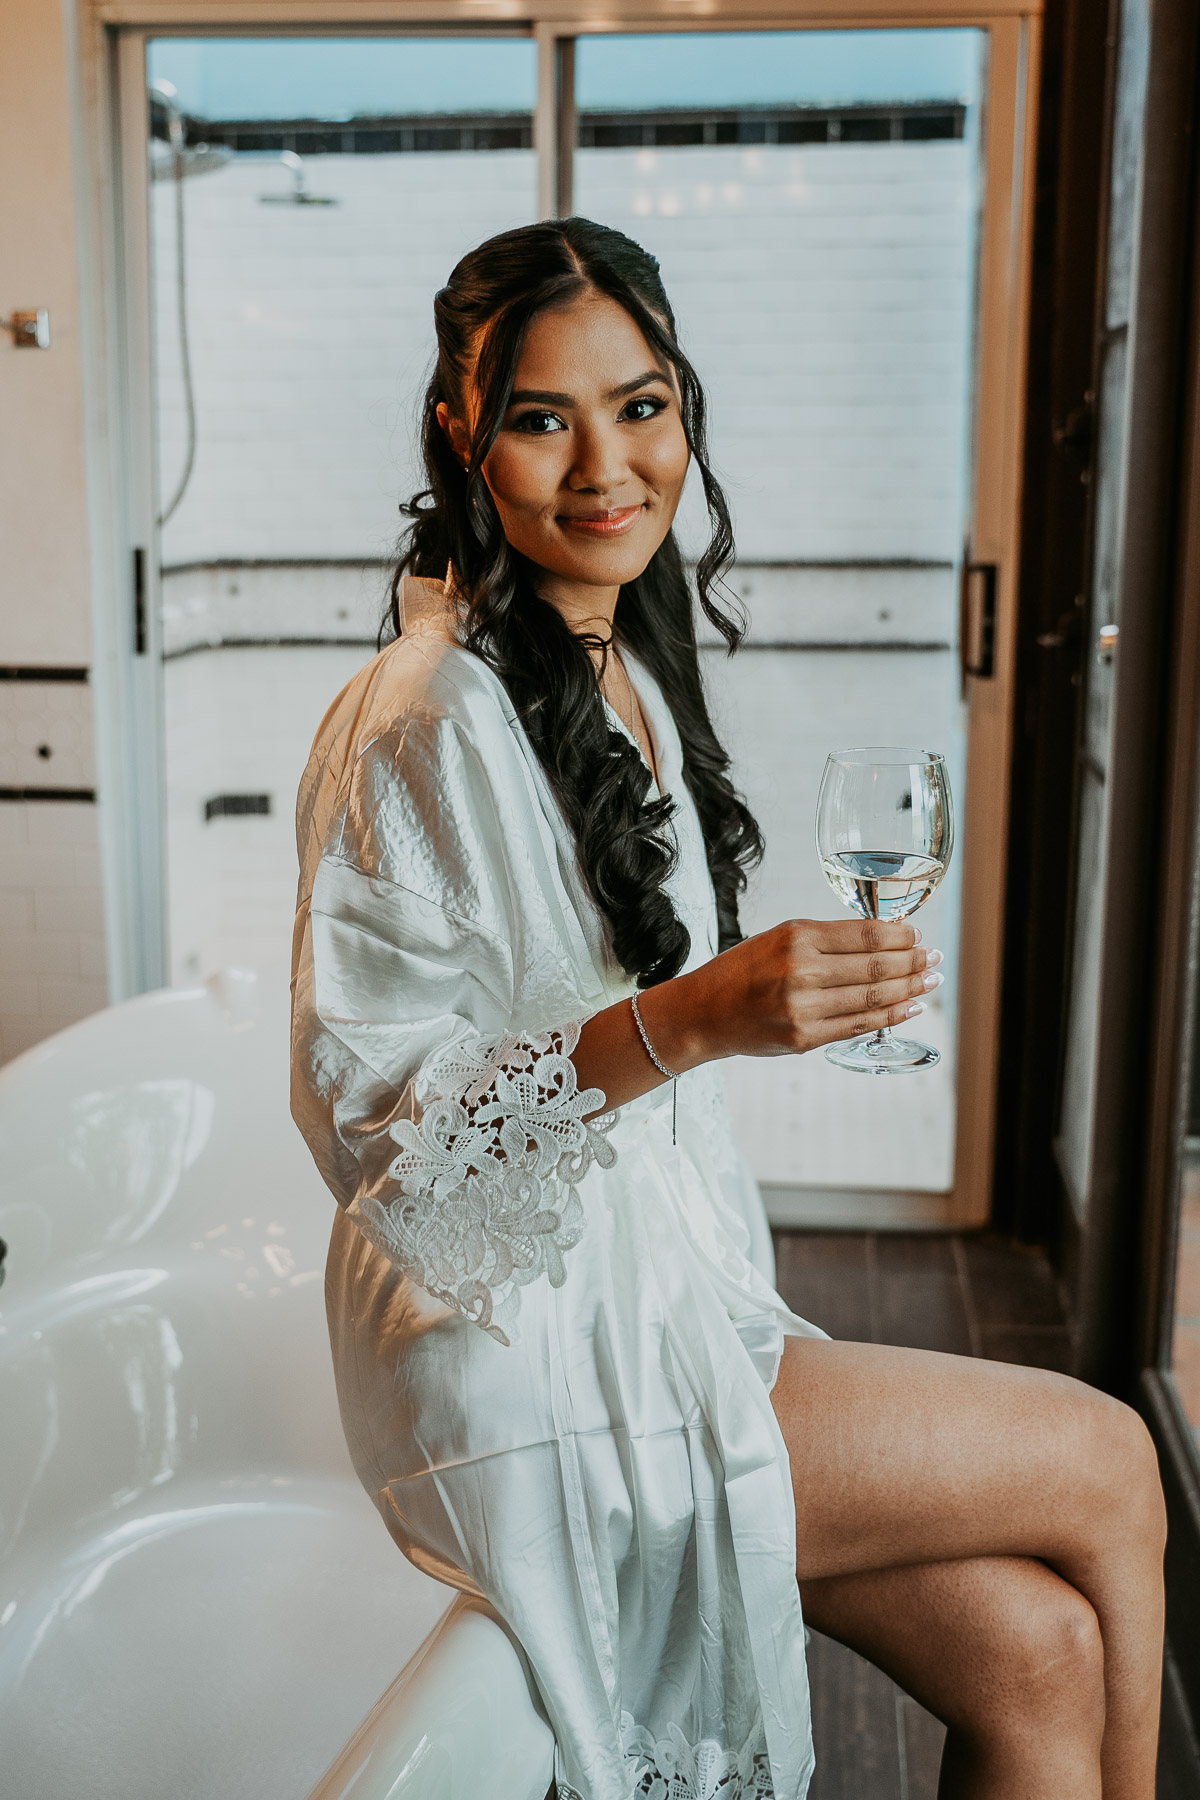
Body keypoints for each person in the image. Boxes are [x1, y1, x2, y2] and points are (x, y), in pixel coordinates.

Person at [290, 217, 1166, 1800]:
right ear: (459, 430)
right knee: (1113, 1460)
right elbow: (386, 1146)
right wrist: (695, 1020)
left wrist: (739, 1008)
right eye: (542, 418)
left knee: (1040, 1656)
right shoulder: (418, 716)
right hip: (529, 1364)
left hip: (665, 1302)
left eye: (642, 406)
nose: (605, 465)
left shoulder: (613, 651)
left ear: (684, 406)